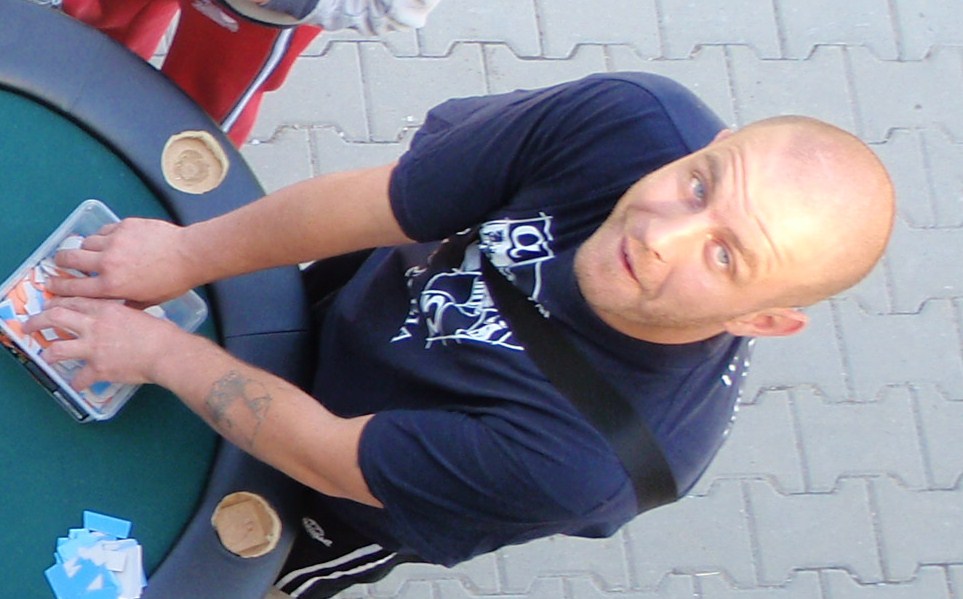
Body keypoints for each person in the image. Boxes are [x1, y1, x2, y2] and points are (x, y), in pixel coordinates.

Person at [24, 72, 895, 598]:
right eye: (701, 185)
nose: (660, 233)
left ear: (763, 319)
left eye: (725, 255)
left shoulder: (587, 462)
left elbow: (330, 457)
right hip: (360, 302)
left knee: (257, 566)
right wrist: (185, 253)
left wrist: (160, 352)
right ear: (715, 141)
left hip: (342, 494)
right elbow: (384, 202)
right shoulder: (631, 123)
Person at [56, 0, 440, 145]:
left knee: (199, 112)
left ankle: (158, 184)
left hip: (254, 14)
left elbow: (397, 9)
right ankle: (66, 105)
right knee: (93, 28)